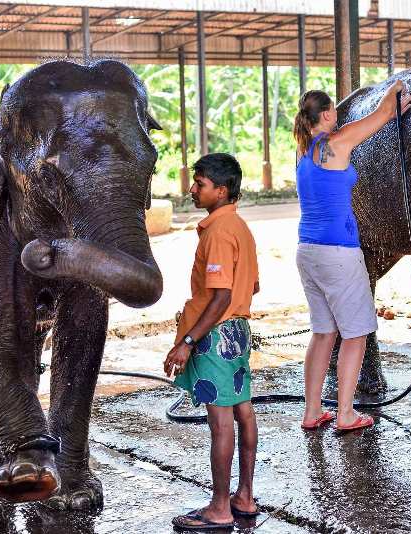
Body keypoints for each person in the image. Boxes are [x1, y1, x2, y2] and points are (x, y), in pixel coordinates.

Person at [293, 81, 411, 433]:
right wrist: (397, 88)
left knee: (323, 333)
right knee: (356, 333)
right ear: (328, 114)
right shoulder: (338, 141)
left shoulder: (303, 151)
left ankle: (312, 411)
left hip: (308, 251)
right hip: (338, 253)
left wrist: (391, 112)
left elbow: (384, 117)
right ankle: (345, 413)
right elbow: (382, 113)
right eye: (334, 113)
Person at [164, 153, 260, 531]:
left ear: (221, 191)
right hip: (238, 332)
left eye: (199, 184)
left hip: (214, 336)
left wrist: (187, 340)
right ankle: (245, 497)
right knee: (243, 412)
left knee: (221, 424)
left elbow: (219, 296)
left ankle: (220, 508)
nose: (192, 189)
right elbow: (251, 286)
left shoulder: (219, 233)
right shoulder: (239, 227)